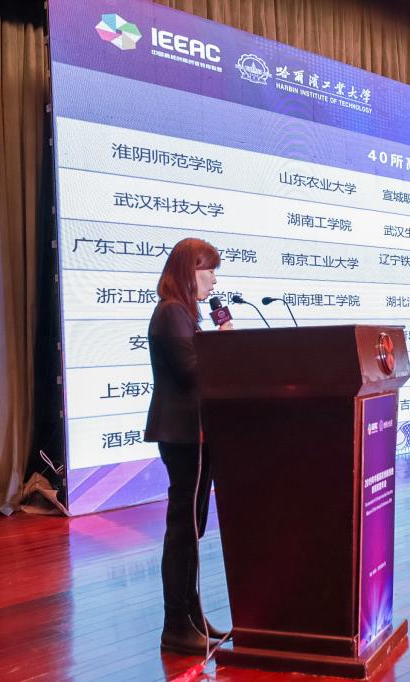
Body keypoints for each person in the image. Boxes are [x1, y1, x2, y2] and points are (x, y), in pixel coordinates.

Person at [144, 237, 232, 655]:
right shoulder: (170, 313)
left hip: (197, 433)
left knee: (193, 529)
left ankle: (193, 615)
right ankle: (177, 624)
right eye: (208, 270)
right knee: (183, 530)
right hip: (183, 435)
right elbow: (192, 372)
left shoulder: (184, 314)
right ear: (188, 271)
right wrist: (226, 341)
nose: (214, 280)